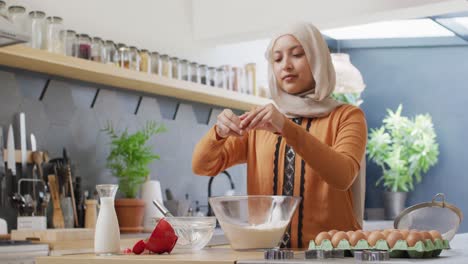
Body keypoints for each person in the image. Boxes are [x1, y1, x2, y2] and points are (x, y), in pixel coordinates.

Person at [192, 22, 367, 249]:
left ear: (318, 58)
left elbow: (342, 175)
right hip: (269, 255)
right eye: (277, 59)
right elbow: (202, 166)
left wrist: (285, 127)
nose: (286, 65)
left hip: (332, 256)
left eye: (297, 54)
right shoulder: (261, 121)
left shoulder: (347, 116)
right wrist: (219, 132)